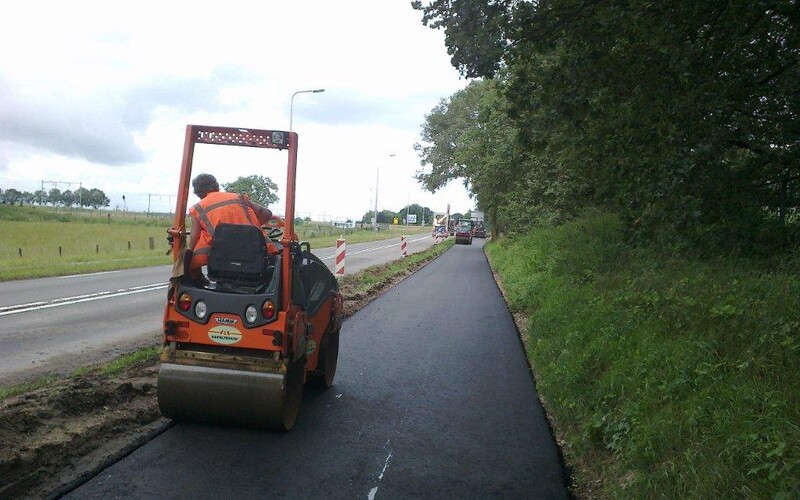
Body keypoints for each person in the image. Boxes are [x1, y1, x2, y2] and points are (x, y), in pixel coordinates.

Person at [186, 173, 274, 280]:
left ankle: (199, 282)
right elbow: (266, 213)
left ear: (197, 193)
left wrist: (189, 253)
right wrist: (252, 227)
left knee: (192, 262)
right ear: (217, 186)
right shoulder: (238, 198)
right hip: (254, 256)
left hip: (222, 260)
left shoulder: (198, 208)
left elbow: (194, 236)